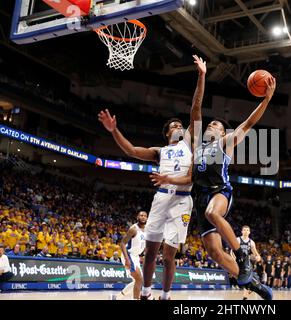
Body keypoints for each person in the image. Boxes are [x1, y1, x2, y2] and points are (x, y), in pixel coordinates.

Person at [153, 66, 276, 300]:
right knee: (215, 253)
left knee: (213, 213)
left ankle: (242, 255)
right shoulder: (197, 146)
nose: (212, 125)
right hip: (200, 199)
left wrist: (266, 100)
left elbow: (248, 124)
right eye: (211, 124)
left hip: (220, 193)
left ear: (223, 133)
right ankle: (253, 284)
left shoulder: (225, 143)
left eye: (217, 126)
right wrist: (201, 76)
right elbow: (196, 108)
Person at [99, 56, 205, 300]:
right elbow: (131, 151)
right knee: (150, 251)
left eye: (181, 124)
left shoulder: (190, 141)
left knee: (169, 255)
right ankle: (146, 294)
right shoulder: (160, 151)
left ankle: (166, 296)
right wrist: (114, 130)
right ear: (168, 133)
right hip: (161, 199)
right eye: (175, 125)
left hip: (182, 200)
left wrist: (201, 75)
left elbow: (196, 108)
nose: (180, 126)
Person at [111, 211, 147, 300]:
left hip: (136, 256)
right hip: (129, 255)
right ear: (137, 217)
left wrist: (144, 255)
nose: (143, 217)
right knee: (139, 279)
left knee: (138, 280)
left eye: (145, 216)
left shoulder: (146, 230)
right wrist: (127, 259)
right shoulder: (133, 229)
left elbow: (143, 244)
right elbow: (122, 243)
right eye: (141, 215)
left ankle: (117, 297)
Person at [230, 226, 261, 300]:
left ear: (249, 232)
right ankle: (249, 287)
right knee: (236, 276)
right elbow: (232, 251)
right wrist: (233, 259)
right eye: (244, 230)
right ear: (242, 231)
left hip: (246, 262)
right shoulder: (238, 240)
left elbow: (256, 254)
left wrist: (258, 257)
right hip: (238, 260)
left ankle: (245, 296)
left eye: (247, 230)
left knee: (247, 279)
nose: (246, 231)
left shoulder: (251, 242)